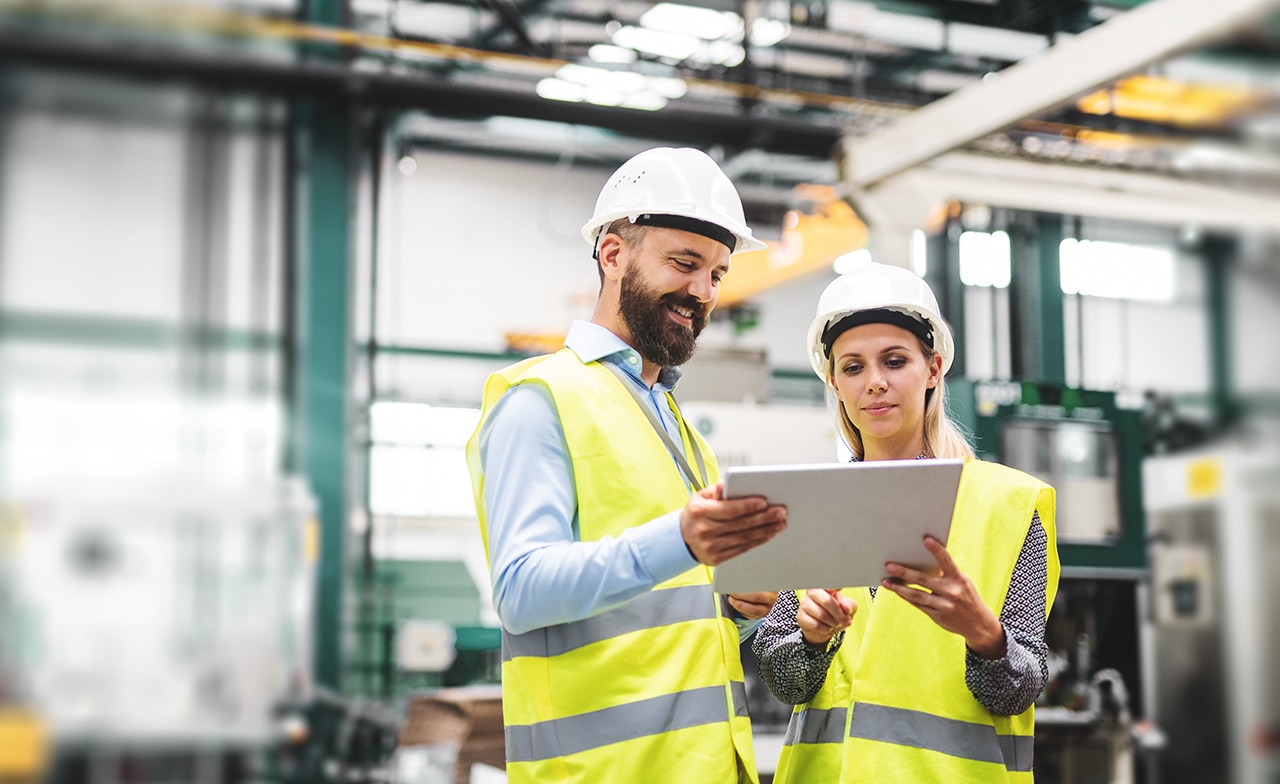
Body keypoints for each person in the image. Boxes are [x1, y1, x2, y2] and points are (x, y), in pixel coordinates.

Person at [465, 147, 789, 784]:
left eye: (718, 274)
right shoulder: (540, 400)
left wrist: (738, 608)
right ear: (613, 255)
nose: (702, 292)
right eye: (684, 263)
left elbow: (660, 613)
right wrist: (682, 542)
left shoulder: (684, 430)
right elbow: (520, 591)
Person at [753, 261, 1060, 783]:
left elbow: (1019, 691)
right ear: (834, 382)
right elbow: (786, 684)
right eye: (853, 367)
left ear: (933, 369)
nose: (874, 383)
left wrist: (985, 636)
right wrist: (809, 639)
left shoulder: (1006, 504)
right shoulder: (808, 504)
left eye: (895, 361)